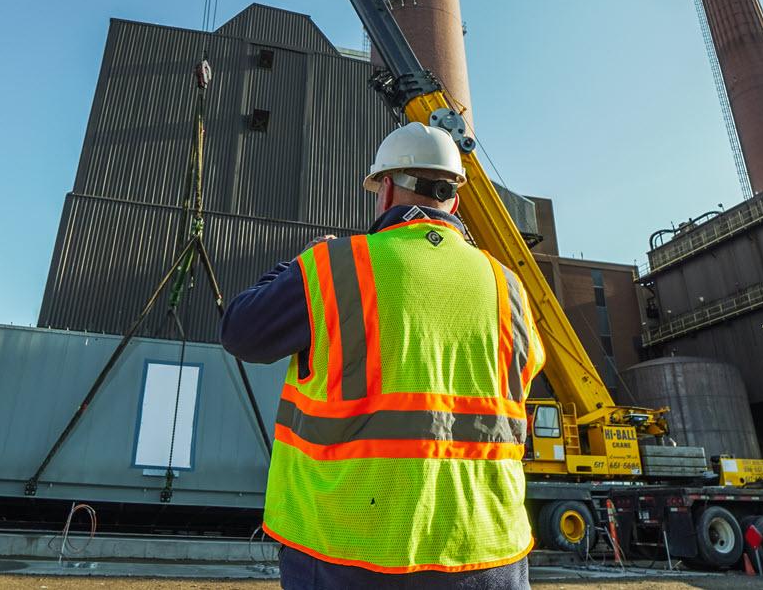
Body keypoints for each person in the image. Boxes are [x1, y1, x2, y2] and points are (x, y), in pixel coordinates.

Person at [221, 122, 545, 589]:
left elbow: (240, 331)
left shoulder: (335, 268)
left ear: (387, 187)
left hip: (347, 551)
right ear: (454, 199)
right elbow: (525, 374)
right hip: (487, 551)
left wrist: (299, 264)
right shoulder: (508, 286)